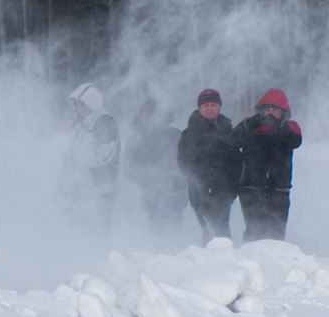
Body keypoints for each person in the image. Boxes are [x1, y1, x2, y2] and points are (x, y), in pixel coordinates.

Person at [233, 89, 302, 241]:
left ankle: (274, 261)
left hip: (278, 189)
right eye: (267, 109)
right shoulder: (249, 127)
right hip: (251, 188)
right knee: (253, 231)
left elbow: (295, 140)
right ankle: (249, 261)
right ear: (261, 111)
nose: (270, 113)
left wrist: (275, 129)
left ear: (282, 112)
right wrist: (248, 125)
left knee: (276, 233)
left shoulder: (288, 128)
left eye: (274, 110)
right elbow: (232, 140)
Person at [177, 88, 240, 244]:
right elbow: (183, 161)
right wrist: (200, 177)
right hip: (199, 191)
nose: (209, 108)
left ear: (219, 107)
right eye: (205, 106)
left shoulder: (228, 131)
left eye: (213, 105)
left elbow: (236, 160)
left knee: (222, 228)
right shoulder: (189, 133)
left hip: (225, 191)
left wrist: (233, 185)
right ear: (199, 108)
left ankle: (225, 260)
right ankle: (205, 261)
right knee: (207, 229)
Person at [63, 82, 121, 235]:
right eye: (76, 105)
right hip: (80, 187)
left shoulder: (105, 122)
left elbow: (103, 156)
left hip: (101, 187)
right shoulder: (79, 122)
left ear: (92, 103)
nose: (79, 109)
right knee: (76, 227)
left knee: (96, 228)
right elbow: (72, 146)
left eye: (82, 105)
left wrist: (77, 160)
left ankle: (100, 256)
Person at [125, 98, 187, 236]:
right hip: (150, 196)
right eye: (150, 114)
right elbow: (128, 168)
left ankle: (175, 252)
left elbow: (189, 163)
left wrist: (179, 180)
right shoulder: (137, 140)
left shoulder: (176, 136)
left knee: (173, 233)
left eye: (158, 114)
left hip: (175, 194)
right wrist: (148, 177)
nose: (154, 118)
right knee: (155, 232)